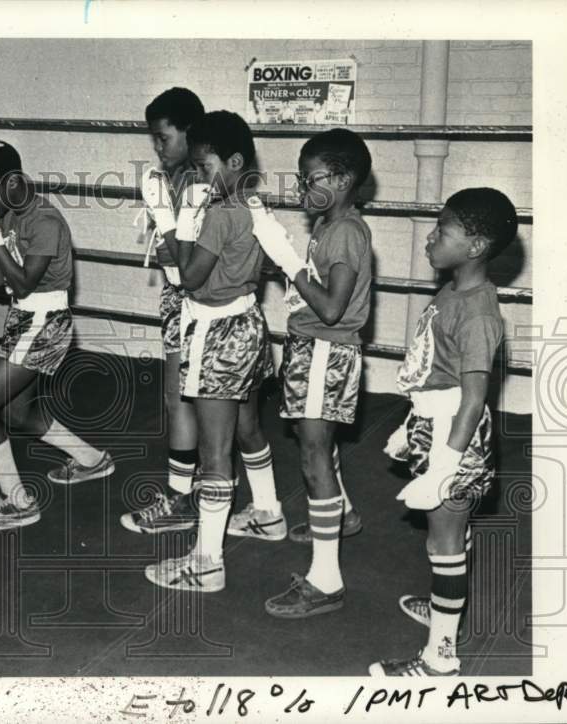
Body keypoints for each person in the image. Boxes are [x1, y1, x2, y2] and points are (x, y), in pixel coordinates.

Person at [369, 188, 517, 677]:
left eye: (443, 231)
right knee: (446, 535)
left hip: (456, 434)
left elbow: (473, 399)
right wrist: (412, 426)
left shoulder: (477, 312)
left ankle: (439, 661)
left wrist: (444, 467)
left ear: (475, 246)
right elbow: (437, 369)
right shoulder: (454, 290)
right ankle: (444, 611)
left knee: (444, 545)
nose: (430, 237)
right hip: (435, 424)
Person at [141, 111, 276, 591]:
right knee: (246, 426)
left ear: (234, 160)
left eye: (203, 166)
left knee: (215, 452)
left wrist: (170, 224)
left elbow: (190, 278)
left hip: (217, 332)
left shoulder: (220, 212)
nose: (197, 176)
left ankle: (207, 563)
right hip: (248, 323)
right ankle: (268, 511)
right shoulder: (252, 203)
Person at [0, 142, 114, 531]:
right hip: (25, 317)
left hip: (43, 319)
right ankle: (93, 459)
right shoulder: (9, 214)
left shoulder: (45, 220)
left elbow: (25, 284)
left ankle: (18, 503)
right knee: (17, 412)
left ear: (9, 180)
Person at [253, 128, 373, 618]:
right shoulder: (331, 223)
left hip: (326, 347)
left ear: (343, 179)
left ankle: (326, 580)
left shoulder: (345, 231)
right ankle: (340, 513)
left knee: (312, 453)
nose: (303, 191)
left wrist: (288, 261)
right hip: (315, 348)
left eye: (311, 180)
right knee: (320, 444)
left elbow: (330, 308)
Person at [121, 87, 209, 535]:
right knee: (185, 399)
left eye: (163, 137)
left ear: (189, 133)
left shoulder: (200, 183)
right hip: (180, 300)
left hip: (201, 301)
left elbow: (188, 265)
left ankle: (182, 500)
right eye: (154, 139)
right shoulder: (174, 178)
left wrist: (164, 215)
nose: (158, 147)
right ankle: (258, 503)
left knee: (188, 400)